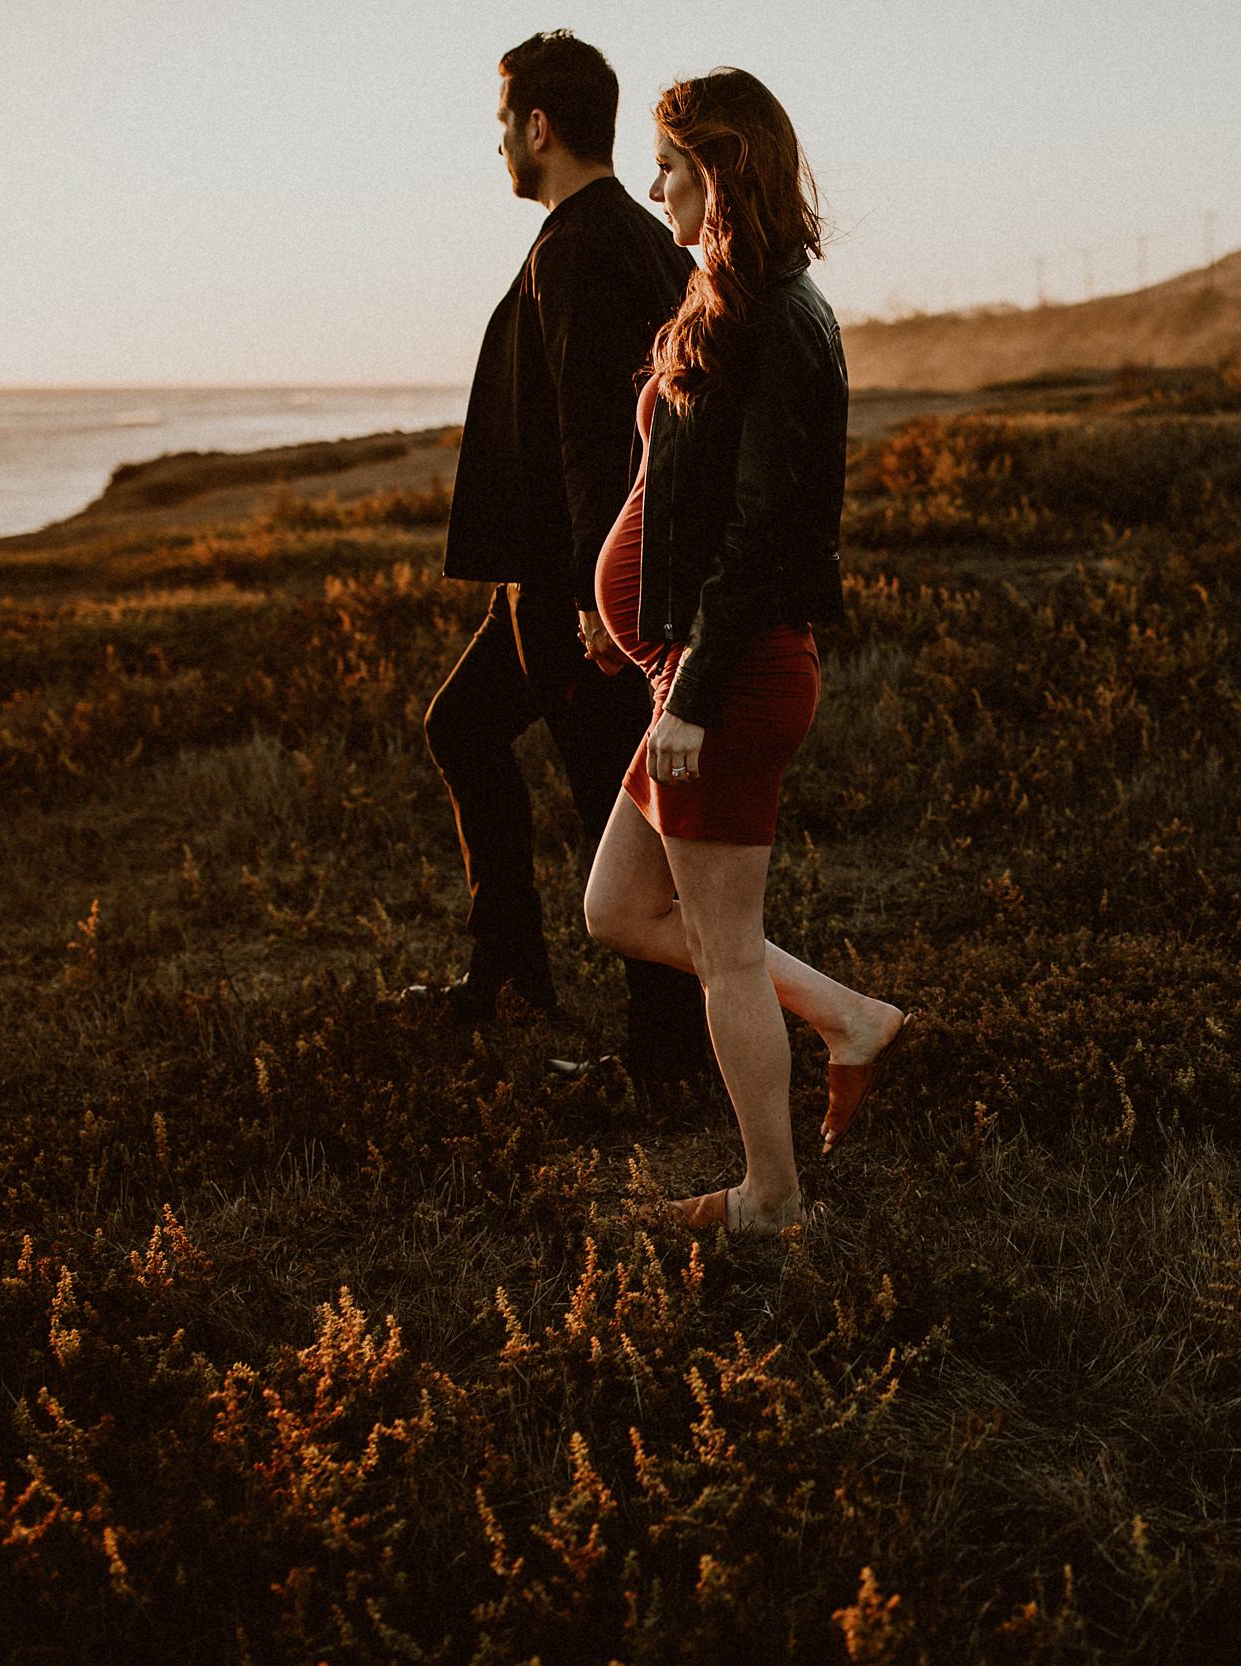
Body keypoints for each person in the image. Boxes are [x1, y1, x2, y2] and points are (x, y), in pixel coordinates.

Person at [583, 68, 905, 1236]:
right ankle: (851, 1018)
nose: (653, 186)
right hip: (686, 665)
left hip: (726, 676)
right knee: (620, 906)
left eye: (669, 166)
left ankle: (770, 1198)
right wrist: (619, 604)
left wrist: (691, 695)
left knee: (722, 954)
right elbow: (681, 488)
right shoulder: (727, 301)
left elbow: (765, 533)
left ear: (719, 173)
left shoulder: (777, 318)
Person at [408, 30, 712, 1088]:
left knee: (608, 804)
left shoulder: (582, 247)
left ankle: (663, 1056)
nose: (497, 143)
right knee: (461, 727)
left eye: (503, 123)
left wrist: (594, 594)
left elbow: (597, 432)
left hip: (577, 586)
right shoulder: (632, 237)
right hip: (558, 577)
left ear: (538, 126)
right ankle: (508, 967)